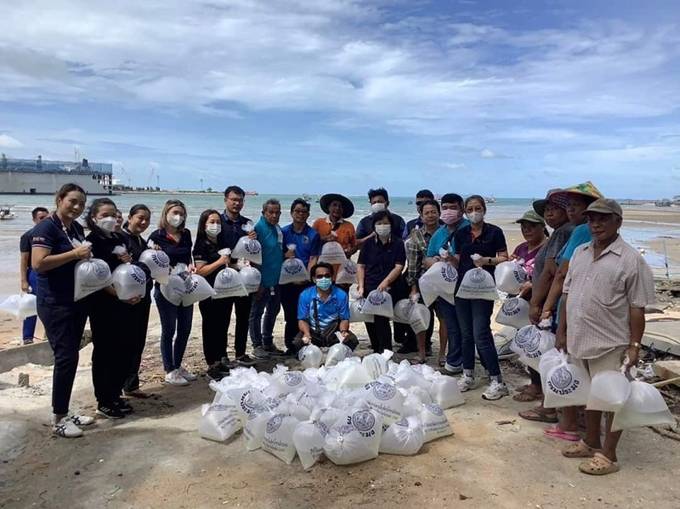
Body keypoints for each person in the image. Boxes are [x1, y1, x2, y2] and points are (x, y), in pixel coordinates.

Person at [557, 199, 655, 475]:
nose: (596, 224)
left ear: (618, 222)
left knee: (612, 400)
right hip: (579, 338)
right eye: (591, 219)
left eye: (603, 219)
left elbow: (637, 307)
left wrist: (634, 345)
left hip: (611, 343)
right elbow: (567, 294)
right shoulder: (580, 252)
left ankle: (608, 455)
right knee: (589, 396)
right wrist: (562, 331)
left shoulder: (630, 259)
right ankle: (590, 441)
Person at [538, 182, 603, 441]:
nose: (572, 211)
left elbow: (562, 274)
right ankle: (583, 422)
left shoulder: (579, 232)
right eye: (571, 206)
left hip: (570, 309)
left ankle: (569, 424)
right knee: (584, 366)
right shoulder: (594, 234)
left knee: (570, 364)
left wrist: (544, 306)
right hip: (587, 310)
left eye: (577, 207)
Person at [31, 183, 95, 437]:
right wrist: (75, 254)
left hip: (75, 299)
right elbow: (38, 264)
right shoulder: (46, 227)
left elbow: (79, 255)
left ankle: (66, 411)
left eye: (81, 203)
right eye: (72, 201)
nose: (77, 207)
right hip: (55, 302)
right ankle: (59, 417)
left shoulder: (75, 227)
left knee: (72, 357)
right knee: (65, 357)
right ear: (60, 199)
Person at [515, 193, 572, 411]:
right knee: (544, 350)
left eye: (554, 208)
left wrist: (540, 305)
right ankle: (546, 395)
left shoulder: (562, 234)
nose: (549, 212)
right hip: (551, 303)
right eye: (546, 209)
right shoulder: (561, 232)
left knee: (548, 353)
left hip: (552, 304)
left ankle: (549, 405)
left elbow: (553, 273)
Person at [85, 198, 141, 419]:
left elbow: (127, 269)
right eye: (104, 215)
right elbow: (95, 277)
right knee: (105, 352)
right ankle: (104, 400)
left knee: (123, 349)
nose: (110, 219)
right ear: (93, 218)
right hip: (104, 304)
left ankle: (115, 393)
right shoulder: (92, 242)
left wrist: (127, 260)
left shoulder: (119, 237)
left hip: (125, 302)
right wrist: (119, 295)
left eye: (114, 214)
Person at [452, 194, 509, 400]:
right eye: (470, 209)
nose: (474, 212)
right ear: (465, 212)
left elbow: (504, 257)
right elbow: (458, 260)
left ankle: (496, 379)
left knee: (481, 333)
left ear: (484, 209)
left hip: (484, 290)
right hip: (462, 289)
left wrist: (487, 260)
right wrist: (448, 258)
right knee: (465, 334)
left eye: (478, 208)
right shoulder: (461, 233)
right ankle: (468, 374)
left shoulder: (495, 232)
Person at [149, 200, 196, 386]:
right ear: (166, 213)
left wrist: (191, 266)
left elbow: (188, 257)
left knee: (185, 329)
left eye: (182, 214)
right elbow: (150, 262)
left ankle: (177, 365)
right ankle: (169, 369)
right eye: (175, 212)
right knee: (169, 329)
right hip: (165, 289)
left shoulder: (186, 234)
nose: (179, 217)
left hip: (185, 286)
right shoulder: (156, 236)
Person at [424, 193, 469, 372]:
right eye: (445, 207)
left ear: (461, 209)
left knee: (467, 326)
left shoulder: (469, 230)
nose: (448, 211)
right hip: (444, 286)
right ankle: (453, 361)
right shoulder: (439, 233)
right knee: (451, 324)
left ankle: (467, 362)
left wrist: (453, 259)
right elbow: (427, 258)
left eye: (453, 207)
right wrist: (437, 262)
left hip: (465, 286)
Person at [218, 185, 257, 366]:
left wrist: (253, 240)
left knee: (243, 316)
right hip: (224, 276)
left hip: (244, 277)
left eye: (240, 200)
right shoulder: (217, 222)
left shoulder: (247, 224)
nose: (237, 203)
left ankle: (240, 353)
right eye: (233, 199)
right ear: (226, 199)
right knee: (223, 317)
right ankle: (222, 354)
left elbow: (252, 252)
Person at [357, 211, 406, 353]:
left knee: (381, 318)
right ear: (374, 226)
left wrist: (385, 283)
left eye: (386, 223)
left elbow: (399, 266)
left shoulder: (398, 243)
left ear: (391, 225)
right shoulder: (368, 244)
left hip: (390, 287)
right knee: (369, 317)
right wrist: (360, 286)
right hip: (369, 285)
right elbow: (360, 266)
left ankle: (385, 351)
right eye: (379, 223)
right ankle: (376, 347)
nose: (382, 226)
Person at [194, 209, 232, 380]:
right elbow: (201, 271)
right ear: (204, 224)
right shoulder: (201, 244)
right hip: (208, 292)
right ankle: (212, 364)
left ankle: (221, 358)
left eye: (218, 222)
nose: (215, 225)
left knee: (223, 326)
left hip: (225, 291)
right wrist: (219, 261)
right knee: (210, 328)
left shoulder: (222, 242)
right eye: (211, 222)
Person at [121, 204, 154, 397]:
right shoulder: (121, 239)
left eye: (147, 220)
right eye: (140, 218)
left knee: (138, 342)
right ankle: (119, 385)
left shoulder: (142, 242)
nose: (143, 222)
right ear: (130, 217)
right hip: (126, 301)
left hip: (143, 299)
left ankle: (131, 385)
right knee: (125, 343)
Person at [280, 198, 321, 355]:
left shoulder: (313, 235)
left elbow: (313, 258)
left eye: (304, 212)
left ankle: (304, 343)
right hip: (286, 281)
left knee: (304, 314)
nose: (300, 214)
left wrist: (308, 277)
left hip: (305, 282)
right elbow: (279, 255)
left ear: (308, 214)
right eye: (297, 211)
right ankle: (290, 346)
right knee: (290, 315)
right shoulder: (283, 232)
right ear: (291, 213)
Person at [292, 262, 358, 352]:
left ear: (332, 277)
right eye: (320, 276)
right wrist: (307, 334)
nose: (324, 279)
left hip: (333, 331)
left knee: (351, 340)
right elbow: (302, 319)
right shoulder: (305, 295)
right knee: (298, 342)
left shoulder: (341, 295)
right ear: (314, 279)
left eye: (327, 276)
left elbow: (344, 319)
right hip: (313, 332)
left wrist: (343, 332)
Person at [404, 199, 440, 362]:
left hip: (444, 283)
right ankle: (422, 352)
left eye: (434, 212)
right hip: (423, 283)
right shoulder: (415, 237)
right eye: (427, 213)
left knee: (445, 319)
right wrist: (413, 288)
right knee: (422, 317)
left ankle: (443, 354)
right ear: (421, 215)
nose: (431, 215)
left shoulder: (446, 233)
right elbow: (413, 265)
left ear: (439, 213)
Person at [249, 199, 285, 359]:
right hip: (261, 281)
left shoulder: (277, 228)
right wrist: (258, 282)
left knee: (273, 311)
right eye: (271, 212)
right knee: (256, 313)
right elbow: (252, 256)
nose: (274, 215)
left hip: (276, 279)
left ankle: (268, 342)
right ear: (263, 213)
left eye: (277, 212)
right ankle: (257, 345)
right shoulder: (257, 229)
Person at [19, 206, 49, 345]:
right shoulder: (27, 236)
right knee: (31, 305)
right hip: (34, 274)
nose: (45, 220)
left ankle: (49, 334)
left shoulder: (52, 234)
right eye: (41, 218)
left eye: (47, 217)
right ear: (34, 220)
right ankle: (27, 337)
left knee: (50, 305)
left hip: (50, 271)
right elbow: (24, 260)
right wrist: (24, 281)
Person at [312, 193, 357, 260]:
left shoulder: (349, 226)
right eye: (334, 205)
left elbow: (354, 246)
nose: (337, 208)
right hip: (321, 263)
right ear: (328, 207)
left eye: (340, 206)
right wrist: (324, 239)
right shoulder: (318, 223)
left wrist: (350, 252)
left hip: (342, 262)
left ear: (343, 210)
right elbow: (311, 243)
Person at [511, 210, 548, 282]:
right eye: (524, 227)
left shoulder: (549, 248)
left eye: (532, 226)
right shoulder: (520, 248)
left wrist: (532, 285)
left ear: (543, 227)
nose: (527, 230)